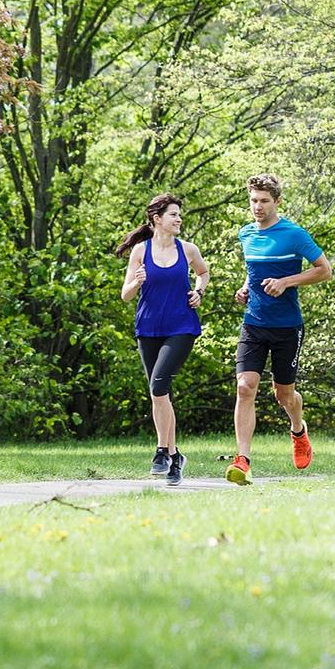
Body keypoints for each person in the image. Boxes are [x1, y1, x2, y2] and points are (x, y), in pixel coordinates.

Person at [225, 174, 332, 485]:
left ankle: (298, 431)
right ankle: (242, 459)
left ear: (277, 202)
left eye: (264, 201)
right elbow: (254, 272)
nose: (257, 207)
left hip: (287, 326)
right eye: (253, 200)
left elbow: (324, 270)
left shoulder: (294, 234)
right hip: (254, 324)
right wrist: (244, 289)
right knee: (245, 387)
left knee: (283, 394)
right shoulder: (245, 234)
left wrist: (286, 282)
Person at [118, 193, 210, 486]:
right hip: (147, 328)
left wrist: (199, 291)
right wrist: (137, 281)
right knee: (160, 393)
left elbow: (203, 272)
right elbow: (126, 295)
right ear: (157, 219)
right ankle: (174, 456)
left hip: (181, 326)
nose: (179, 219)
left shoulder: (188, 249)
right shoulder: (140, 252)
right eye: (173, 215)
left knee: (159, 386)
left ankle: (161, 452)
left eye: (179, 215)